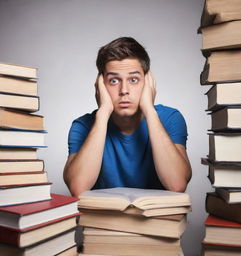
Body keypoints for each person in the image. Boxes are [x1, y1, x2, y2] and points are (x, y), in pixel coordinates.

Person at [63, 37, 192, 197]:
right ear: (101, 85)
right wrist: (103, 112)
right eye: (114, 80)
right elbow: (78, 188)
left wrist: (149, 111)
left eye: (133, 79)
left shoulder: (170, 118)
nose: (124, 90)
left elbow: (177, 184)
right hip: (105, 221)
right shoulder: (82, 126)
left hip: (156, 221)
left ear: (148, 82)